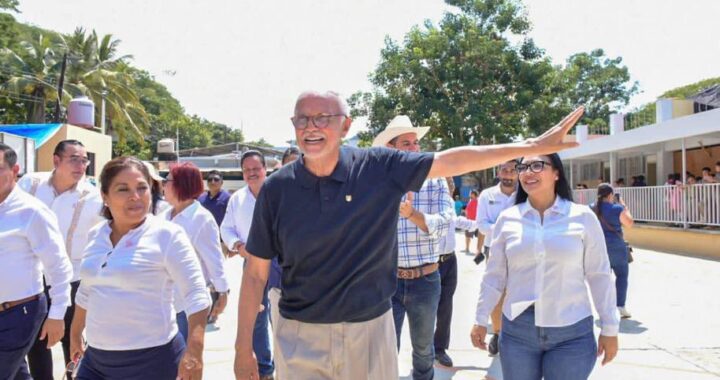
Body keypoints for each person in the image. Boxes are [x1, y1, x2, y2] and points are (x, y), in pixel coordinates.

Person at [233, 90, 585, 380]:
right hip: (299, 337)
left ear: (345, 126)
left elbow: (453, 160)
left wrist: (529, 145)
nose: (312, 127)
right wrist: (242, 347)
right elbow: (255, 275)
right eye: (303, 119)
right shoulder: (277, 189)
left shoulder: (378, 167)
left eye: (323, 118)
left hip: (368, 333)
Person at [471, 154, 619, 380]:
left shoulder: (583, 217)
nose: (528, 172)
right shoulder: (507, 219)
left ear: (556, 173)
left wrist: (610, 328)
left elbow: (599, 275)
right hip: (518, 332)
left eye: (537, 165)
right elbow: (494, 277)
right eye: (523, 167)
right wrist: (481, 319)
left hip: (571, 332)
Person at [69, 156, 210, 380]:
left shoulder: (167, 235)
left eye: (142, 188)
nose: (135, 197)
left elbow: (196, 294)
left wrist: (195, 350)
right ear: (105, 196)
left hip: (152, 362)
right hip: (95, 361)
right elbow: (87, 289)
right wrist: (75, 333)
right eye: (123, 189)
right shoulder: (97, 234)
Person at [373, 115, 454, 380]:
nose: (414, 149)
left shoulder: (435, 180)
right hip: (388, 280)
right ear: (392, 149)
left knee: (423, 350)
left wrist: (412, 215)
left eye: (415, 143)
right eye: (406, 144)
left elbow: (444, 224)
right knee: (385, 348)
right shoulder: (380, 185)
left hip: (426, 279)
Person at [17, 139, 104, 380]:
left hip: (73, 279)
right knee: (37, 341)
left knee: (72, 339)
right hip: (32, 279)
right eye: (74, 159)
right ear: (56, 160)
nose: (81, 165)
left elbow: (105, 236)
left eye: (84, 160)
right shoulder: (30, 184)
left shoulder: (93, 197)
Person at [0, 143, 73, 379]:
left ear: (15, 170)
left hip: (19, 313)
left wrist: (57, 315)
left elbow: (59, 267)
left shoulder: (32, 212)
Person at [220, 151, 275, 380]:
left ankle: (289, 366)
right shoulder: (238, 199)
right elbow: (226, 228)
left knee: (283, 316)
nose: (252, 173)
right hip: (250, 264)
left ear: (265, 169)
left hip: (281, 265)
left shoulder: (278, 192)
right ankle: (264, 370)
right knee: (256, 318)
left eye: (256, 169)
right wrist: (237, 245)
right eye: (247, 170)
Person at [161, 162, 229, 339]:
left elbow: (214, 259)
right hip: (161, 301)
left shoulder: (201, 219)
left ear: (180, 185)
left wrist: (222, 292)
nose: (163, 185)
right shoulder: (164, 215)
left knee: (184, 358)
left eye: (166, 180)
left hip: (185, 304)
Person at [474, 159, 518, 356]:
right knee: (496, 292)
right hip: (494, 249)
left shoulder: (525, 194)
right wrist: (504, 230)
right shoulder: (487, 195)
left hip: (521, 249)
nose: (508, 174)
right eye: (504, 170)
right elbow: (481, 224)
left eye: (512, 170)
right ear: (498, 172)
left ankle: (518, 335)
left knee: (519, 290)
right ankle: (498, 334)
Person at [433, 177, 478, 368]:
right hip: (430, 263)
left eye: (451, 182)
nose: (450, 186)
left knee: (445, 307)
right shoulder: (428, 200)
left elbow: (456, 221)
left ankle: (440, 349)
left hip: (449, 261)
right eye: (445, 182)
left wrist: (479, 224)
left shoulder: (450, 203)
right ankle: (424, 349)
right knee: (425, 309)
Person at [267, 146, 301, 328]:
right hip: (279, 287)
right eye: (290, 166)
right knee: (282, 347)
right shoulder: (272, 199)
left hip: (313, 291)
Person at [593, 183, 635, 319]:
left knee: (603, 278)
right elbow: (629, 223)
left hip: (598, 247)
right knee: (621, 276)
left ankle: (604, 307)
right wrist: (624, 206)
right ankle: (620, 306)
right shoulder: (617, 208)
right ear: (610, 195)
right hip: (616, 247)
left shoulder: (591, 208)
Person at [197, 169, 232, 324]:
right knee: (206, 277)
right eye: (210, 179)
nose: (212, 182)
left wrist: (230, 244)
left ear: (222, 182)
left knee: (216, 275)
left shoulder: (227, 198)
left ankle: (215, 311)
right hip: (201, 242)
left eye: (216, 179)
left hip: (220, 242)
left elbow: (232, 221)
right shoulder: (201, 198)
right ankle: (207, 308)